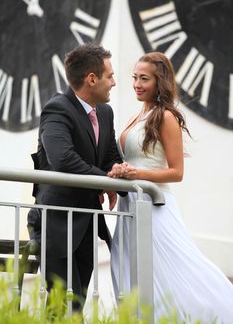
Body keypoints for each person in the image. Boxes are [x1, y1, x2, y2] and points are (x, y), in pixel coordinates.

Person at [108, 52, 233, 323]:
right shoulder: (137, 115)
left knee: (175, 268)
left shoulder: (166, 117)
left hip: (155, 208)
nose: (137, 84)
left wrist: (135, 173)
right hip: (130, 206)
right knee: (128, 268)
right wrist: (119, 170)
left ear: (159, 81)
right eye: (134, 77)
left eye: (144, 79)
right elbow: (130, 159)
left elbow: (177, 172)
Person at [27, 43, 125, 310]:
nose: (114, 83)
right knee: (63, 304)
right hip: (55, 222)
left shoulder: (105, 112)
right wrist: (104, 182)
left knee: (76, 305)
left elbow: (109, 156)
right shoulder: (56, 108)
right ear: (91, 79)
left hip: (86, 221)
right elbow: (63, 159)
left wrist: (117, 172)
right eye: (110, 76)